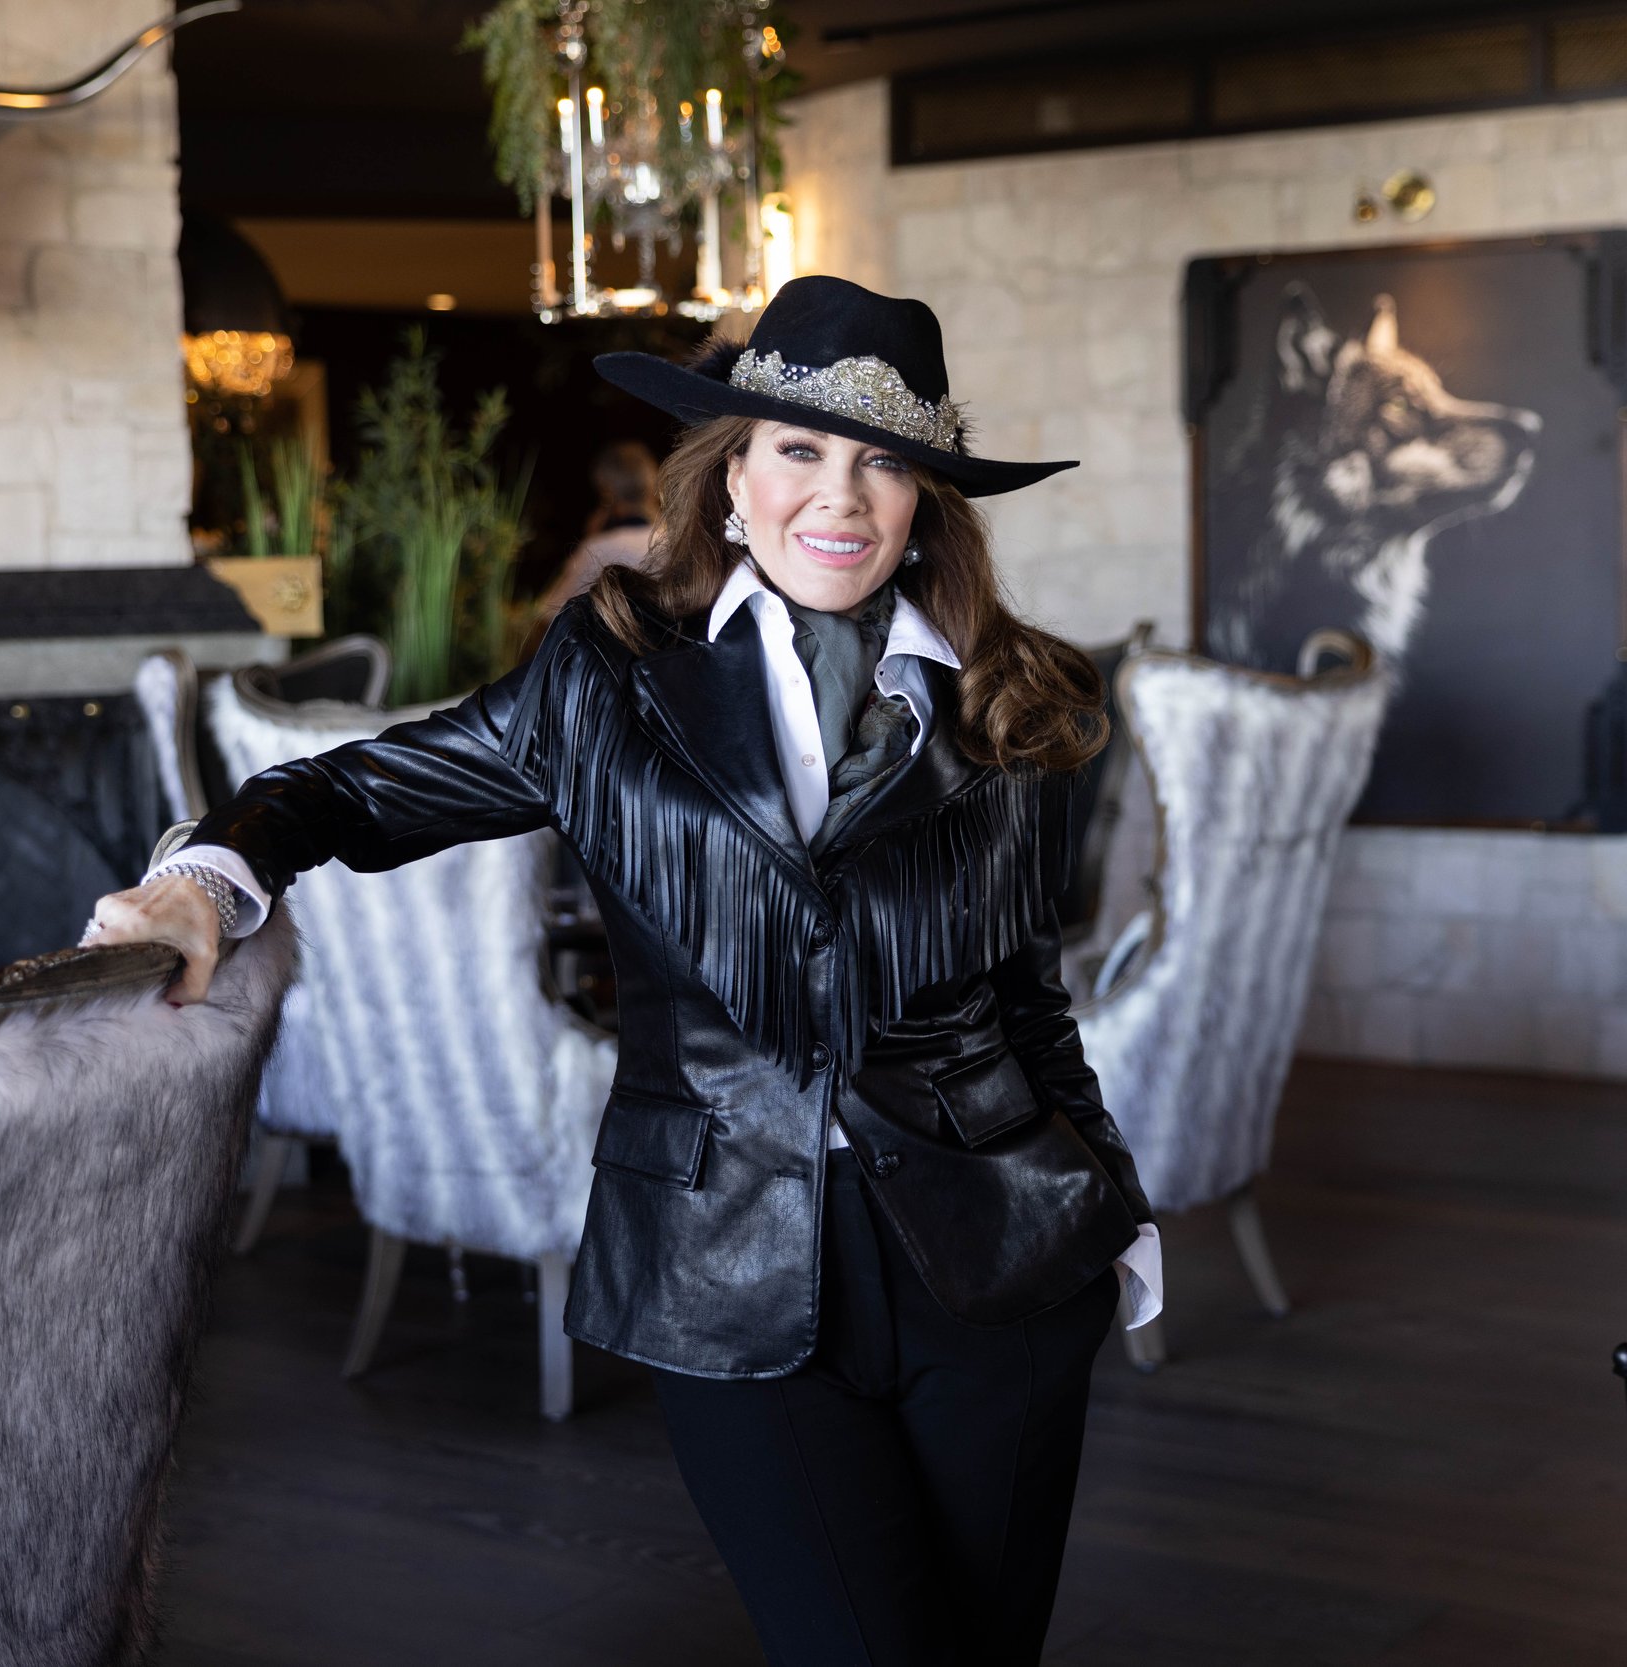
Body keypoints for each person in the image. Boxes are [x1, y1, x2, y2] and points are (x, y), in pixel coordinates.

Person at [85, 276, 1160, 1667]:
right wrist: (203, 875)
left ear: (926, 502)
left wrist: (1113, 1208)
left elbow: (1027, 998)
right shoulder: (609, 676)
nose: (840, 495)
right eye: (800, 449)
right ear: (732, 479)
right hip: (723, 1258)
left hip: (1004, 1260)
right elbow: (354, 791)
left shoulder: (1018, 698)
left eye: (884, 460)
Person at [533, 437, 663, 621]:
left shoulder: (599, 548)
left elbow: (551, 612)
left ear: (606, 492)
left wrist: (590, 539)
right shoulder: (675, 542)